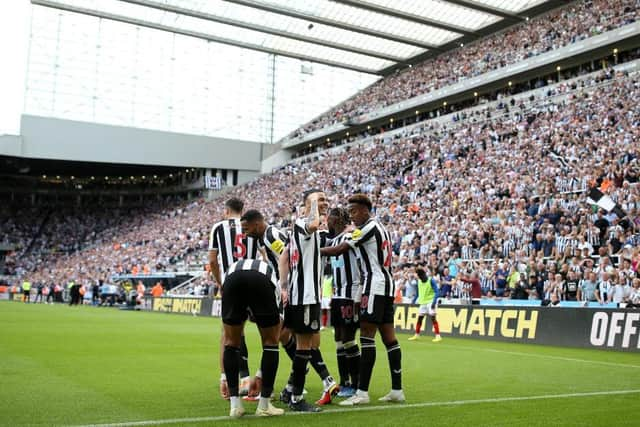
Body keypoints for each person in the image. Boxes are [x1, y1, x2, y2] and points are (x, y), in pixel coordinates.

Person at [322, 193, 404, 405]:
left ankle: (362, 392)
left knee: (366, 337)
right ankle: (397, 390)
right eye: (349, 212)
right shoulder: (381, 228)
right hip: (387, 286)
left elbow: (340, 249)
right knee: (389, 339)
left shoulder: (368, 227)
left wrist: (312, 251)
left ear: (366, 211)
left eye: (354, 211)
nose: (352, 216)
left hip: (373, 286)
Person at [280, 189, 336, 412]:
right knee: (305, 347)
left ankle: (290, 390)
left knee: (306, 346)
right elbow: (312, 225)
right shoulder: (303, 223)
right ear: (307, 205)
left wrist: (284, 286)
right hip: (305, 296)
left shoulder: (305, 229)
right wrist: (313, 207)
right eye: (319, 199)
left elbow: (285, 256)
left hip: (303, 295)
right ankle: (296, 399)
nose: (325, 202)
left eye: (325, 199)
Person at [221, 259, 284, 418]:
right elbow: (277, 333)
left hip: (231, 278)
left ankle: (235, 406)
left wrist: (224, 377)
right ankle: (263, 406)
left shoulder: (233, 269)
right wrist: (260, 375)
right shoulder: (275, 282)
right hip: (261, 279)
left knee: (231, 342)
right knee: (270, 343)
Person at [209, 198, 259, 399]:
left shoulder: (219, 227)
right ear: (242, 210)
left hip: (232, 281)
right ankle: (264, 379)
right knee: (270, 332)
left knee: (230, 332)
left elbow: (213, 260)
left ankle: (235, 379)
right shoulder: (252, 224)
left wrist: (220, 282)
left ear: (226, 211)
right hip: (255, 280)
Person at [325, 207, 361, 398]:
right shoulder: (335, 238)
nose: (327, 223)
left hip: (351, 293)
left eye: (328, 219)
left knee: (348, 339)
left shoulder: (350, 234)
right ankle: (344, 381)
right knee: (338, 338)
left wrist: (316, 252)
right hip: (338, 295)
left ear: (337, 219)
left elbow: (340, 250)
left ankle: (357, 383)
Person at [408, 267, 441, 342]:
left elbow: (437, 292)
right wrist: (413, 301)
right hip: (423, 303)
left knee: (433, 318)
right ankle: (417, 335)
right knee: (420, 318)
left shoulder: (431, 280)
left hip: (430, 301)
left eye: (416, 274)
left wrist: (434, 302)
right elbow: (418, 293)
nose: (415, 275)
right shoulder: (419, 282)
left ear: (419, 275)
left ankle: (438, 336)